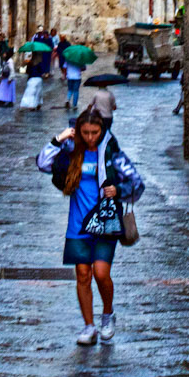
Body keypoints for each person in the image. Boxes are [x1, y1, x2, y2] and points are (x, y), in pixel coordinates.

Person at [38, 108, 143, 345]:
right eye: (85, 132)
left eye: (94, 132)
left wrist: (119, 190)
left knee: (101, 273)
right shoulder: (70, 150)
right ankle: (88, 326)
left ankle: (107, 315)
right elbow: (43, 164)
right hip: (77, 224)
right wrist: (60, 138)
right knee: (83, 275)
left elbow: (136, 183)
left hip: (106, 222)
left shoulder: (112, 154)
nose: (90, 137)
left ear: (102, 130)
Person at [21, 30, 53, 111]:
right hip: (38, 78)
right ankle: (38, 103)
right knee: (38, 92)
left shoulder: (31, 63)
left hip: (32, 78)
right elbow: (41, 70)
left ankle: (31, 105)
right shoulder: (40, 62)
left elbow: (27, 71)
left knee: (31, 93)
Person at [63, 38, 95, 113]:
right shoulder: (80, 60)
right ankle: (74, 105)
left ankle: (67, 99)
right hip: (77, 77)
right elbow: (83, 69)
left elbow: (64, 67)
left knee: (70, 89)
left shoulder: (68, 59)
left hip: (69, 77)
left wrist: (65, 75)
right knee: (76, 91)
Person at [0, 38, 17, 107]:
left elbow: (12, 70)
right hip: (3, 77)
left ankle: (10, 101)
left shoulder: (9, 61)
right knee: (2, 89)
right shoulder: (0, 59)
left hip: (9, 77)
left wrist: (10, 78)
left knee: (10, 90)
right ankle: (2, 100)